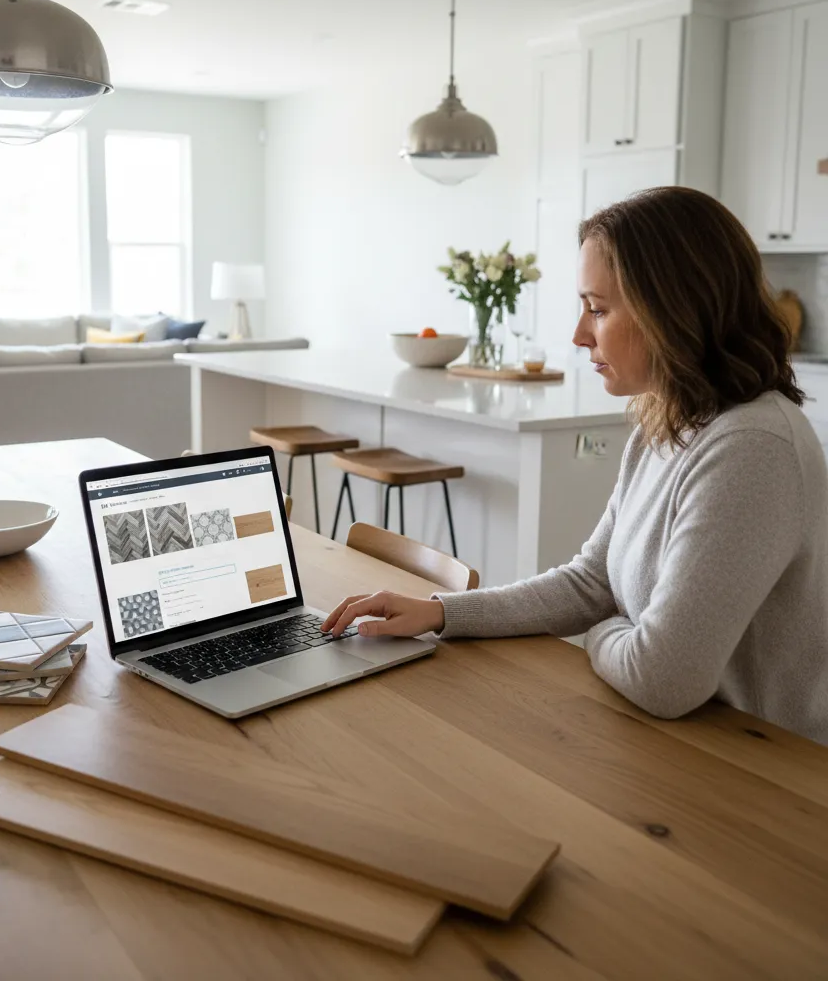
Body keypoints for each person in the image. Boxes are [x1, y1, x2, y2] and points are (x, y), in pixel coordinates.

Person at [322, 187, 828, 744]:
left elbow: (662, 679)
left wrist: (606, 631)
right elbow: (592, 582)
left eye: (599, 308)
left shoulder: (752, 447)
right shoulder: (666, 420)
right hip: (681, 740)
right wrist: (441, 613)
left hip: (766, 770)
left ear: (673, 308)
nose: (579, 334)